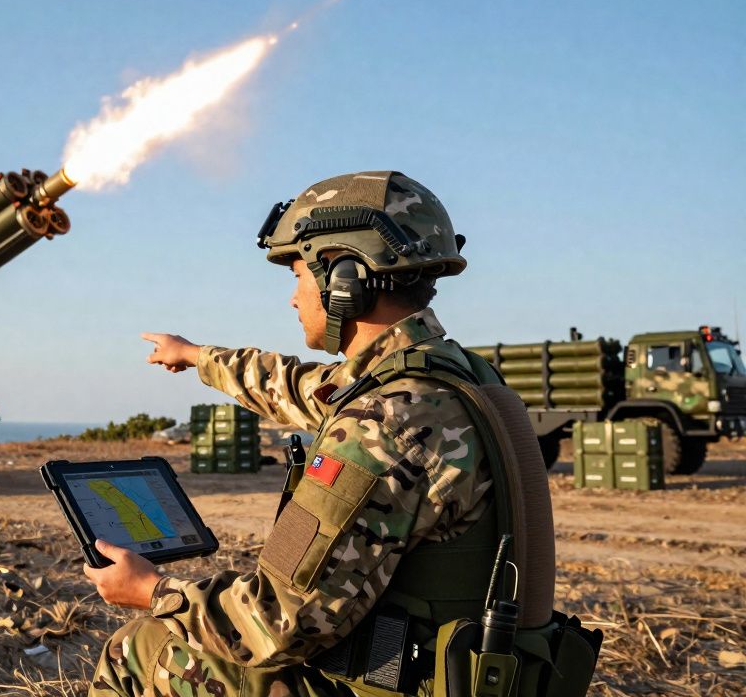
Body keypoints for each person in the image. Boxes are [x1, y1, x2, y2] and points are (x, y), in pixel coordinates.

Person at [84, 171, 524, 697]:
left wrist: (153, 592)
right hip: (459, 663)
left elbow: (278, 626)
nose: (293, 299)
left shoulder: (383, 423)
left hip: (396, 681)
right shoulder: (454, 377)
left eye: (298, 275)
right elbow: (298, 387)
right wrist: (197, 356)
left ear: (345, 278)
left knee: (135, 651)